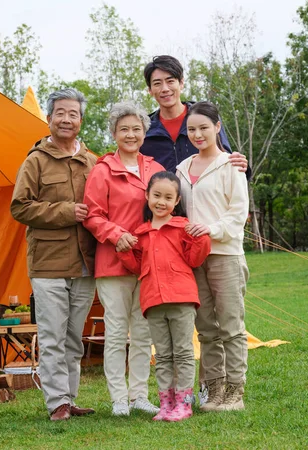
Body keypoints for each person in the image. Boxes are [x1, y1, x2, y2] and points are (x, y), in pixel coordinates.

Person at [10, 88, 98, 421]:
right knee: (52, 336)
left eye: (73, 113)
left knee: (74, 337)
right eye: (60, 113)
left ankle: (69, 398)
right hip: (48, 264)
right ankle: (57, 403)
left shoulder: (92, 161)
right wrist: (64, 211)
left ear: (80, 119)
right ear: (49, 119)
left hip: (86, 263)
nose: (66, 119)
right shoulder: (35, 160)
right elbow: (19, 207)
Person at [83, 101, 164, 417]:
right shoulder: (103, 170)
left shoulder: (156, 170)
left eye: (136, 129)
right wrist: (116, 235)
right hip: (113, 263)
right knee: (116, 332)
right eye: (124, 129)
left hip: (147, 263)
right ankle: (119, 398)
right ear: (114, 133)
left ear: (145, 132)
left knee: (143, 332)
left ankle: (139, 396)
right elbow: (92, 215)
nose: (131, 134)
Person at [117, 171, 211, 422]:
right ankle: (166, 404)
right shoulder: (141, 233)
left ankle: (184, 403)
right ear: (147, 196)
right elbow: (136, 266)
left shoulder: (184, 227)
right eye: (156, 195)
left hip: (181, 299)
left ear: (177, 200)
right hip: (153, 302)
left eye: (168, 197)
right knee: (162, 355)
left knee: (182, 352)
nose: (161, 202)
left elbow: (195, 258)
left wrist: (201, 238)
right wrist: (124, 250)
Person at [176, 101, 250, 412]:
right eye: (191, 129)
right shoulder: (182, 169)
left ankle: (236, 392)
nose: (197, 134)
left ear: (217, 127)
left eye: (204, 127)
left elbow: (237, 214)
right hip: (194, 258)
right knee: (206, 327)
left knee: (231, 325)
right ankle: (215, 390)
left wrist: (210, 229)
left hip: (224, 253)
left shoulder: (230, 165)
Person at [140, 55, 248, 175]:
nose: (165, 89)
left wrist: (240, 164)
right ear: (149, 90)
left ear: (181, 83)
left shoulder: (205, 117)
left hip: (205, 192)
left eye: (170, 81)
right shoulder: (144, 130)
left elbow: (225, 161)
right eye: (157, 83)